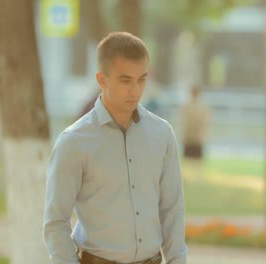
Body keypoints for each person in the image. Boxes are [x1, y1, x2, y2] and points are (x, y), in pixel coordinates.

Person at [43, 32, 187, 264]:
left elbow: (172, 211)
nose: (136, 90)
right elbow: (56, 222)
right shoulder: (74, 141)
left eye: (142, 79)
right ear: (102, 79)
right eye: (125, 80)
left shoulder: (162, 134)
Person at [180, 85, 210, 180]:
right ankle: (185, 175)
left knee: (198, 157)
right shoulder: (186, 106)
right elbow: (184, 121)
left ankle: (197, 176)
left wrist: (201, 134)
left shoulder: (203, 106)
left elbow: (205, 121)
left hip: (197, 135)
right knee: (187, 156)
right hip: (189, 135)